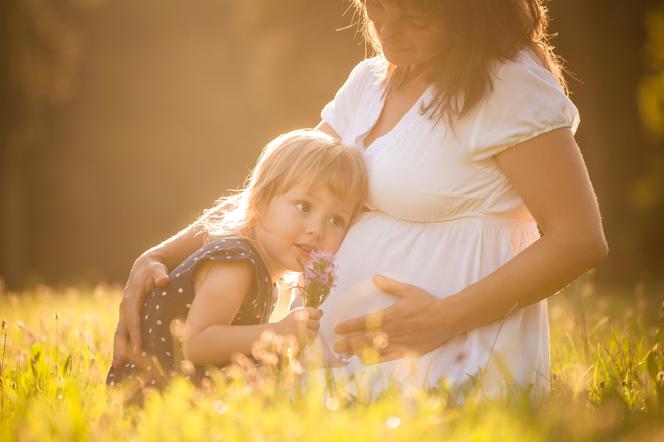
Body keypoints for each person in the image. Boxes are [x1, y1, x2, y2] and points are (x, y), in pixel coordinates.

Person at [112, 0, 608, 398]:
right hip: (325, 365)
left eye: (416, 17)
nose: (390, 30)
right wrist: (159, 255)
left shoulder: (509, 86)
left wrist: (440, 320)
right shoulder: (369, 82)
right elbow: (278, 190)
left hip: (454, 354)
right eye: (378, 9)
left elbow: (578, 239)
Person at [106, 129, 367, 389]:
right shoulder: (238, 263)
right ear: (261, 202)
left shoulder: (258, 269)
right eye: (304, 207)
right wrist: (279, 332)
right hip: (152, 395)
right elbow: (197, 343)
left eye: (336, 220)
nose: (317, 229)